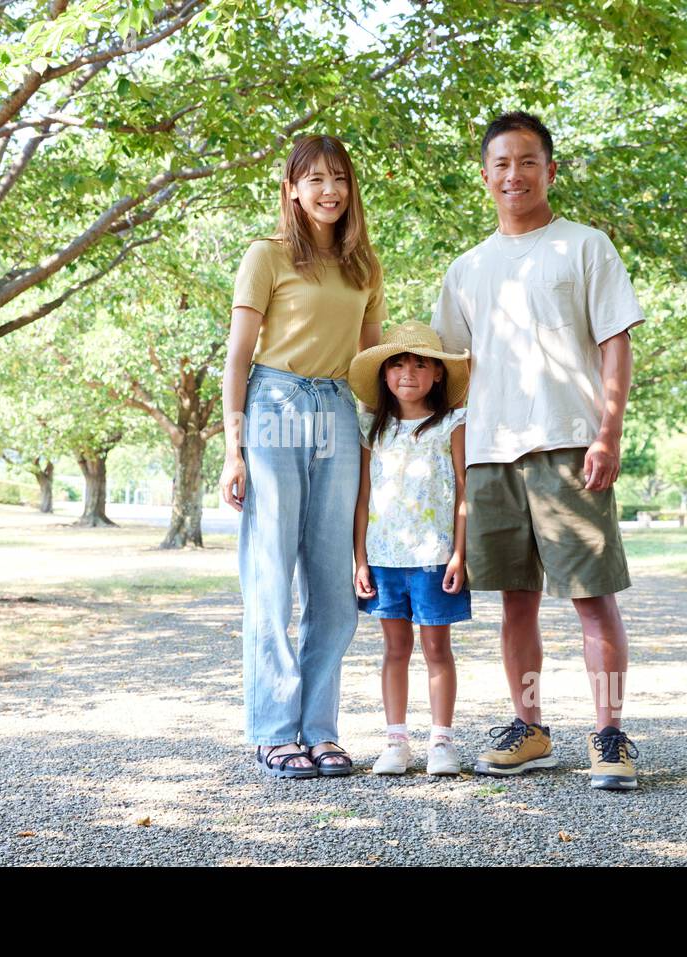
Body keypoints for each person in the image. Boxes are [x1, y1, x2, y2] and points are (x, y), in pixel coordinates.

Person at [431, 111, 646, 790]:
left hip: (569, 446)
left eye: (527, 161)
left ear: (550, 171)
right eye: (501, 163)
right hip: (492, 453)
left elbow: (616, 341)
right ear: (485, 176)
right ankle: (530, 727)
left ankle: (610, 734)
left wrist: (608, 432)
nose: (513, 174)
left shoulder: (584, 246)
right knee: (514, 601)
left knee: (592, 596)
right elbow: (449, 370)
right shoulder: (466, 269)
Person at [219, 134, 385, 779]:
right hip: (275, 406)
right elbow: (238, 355)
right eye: (313, 178)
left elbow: (370, 362)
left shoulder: (364, 266)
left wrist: (379, 439)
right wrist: (233, 449)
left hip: (339, 412)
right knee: (270, 573)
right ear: (291, 188)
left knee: (333, 581)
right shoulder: (267, 255)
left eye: (338, 177)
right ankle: (271, 730)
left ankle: (320, 728)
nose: (328, 190)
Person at [348, 322, 471, 776]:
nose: (408, 372)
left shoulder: (453, 424)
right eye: (398, 364)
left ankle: (442, 741)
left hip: (435, 558)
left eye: (421, 364)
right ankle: (395, 740)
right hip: (383, 558)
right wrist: (360, 558)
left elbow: (464, 492)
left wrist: (460, 552)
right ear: (383, 374)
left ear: (438, 374)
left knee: (437, 648)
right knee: (394, 649)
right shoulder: (370, 430)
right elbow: (362, 497)